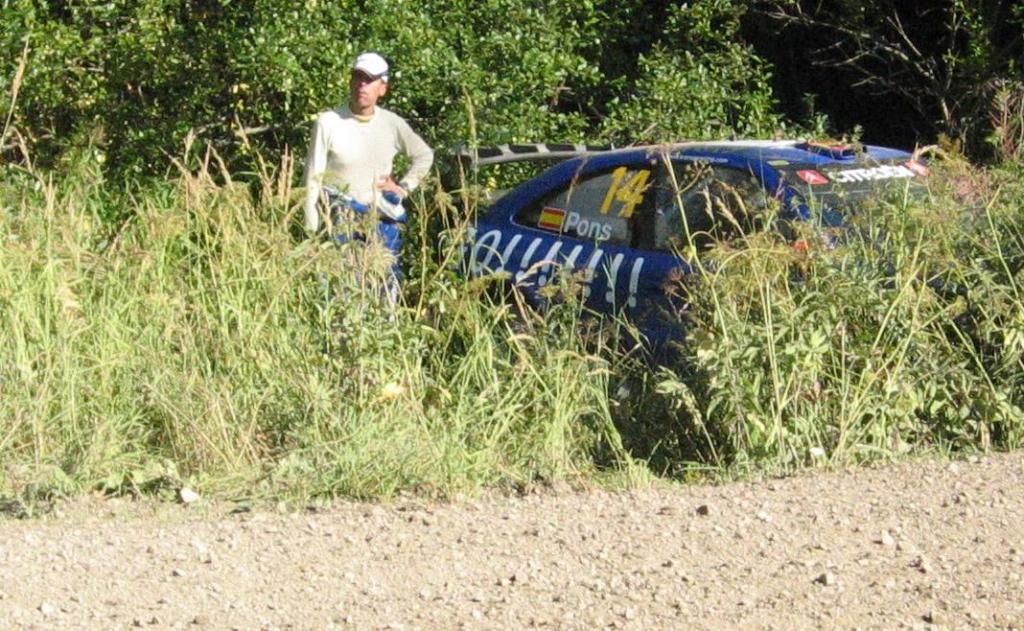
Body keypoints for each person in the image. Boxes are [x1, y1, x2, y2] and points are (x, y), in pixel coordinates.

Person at [303, 52, 434, 301]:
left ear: (382, 88)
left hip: (380, 222)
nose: (361, 85)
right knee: (341, 297)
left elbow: (424, 156)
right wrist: (311, 233)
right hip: (339, 222)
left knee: (383, 295)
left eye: (369, 80)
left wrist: (404, 187)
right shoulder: (328, 122)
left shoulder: (392, 124)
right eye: (357, 77)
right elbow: (312, 180)